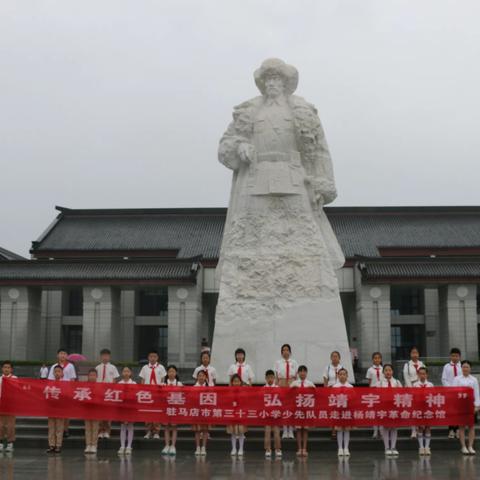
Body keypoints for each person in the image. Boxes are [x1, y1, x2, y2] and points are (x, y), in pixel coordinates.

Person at [47, 348, 77, 438]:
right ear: (57, 355)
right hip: (55, 392)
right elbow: (50, 380)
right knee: (55, 412)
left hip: (66, 392)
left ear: (67, 356)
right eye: (61, 353)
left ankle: (65, 430)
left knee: (66, 412)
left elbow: (72, 379)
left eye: (64, 354)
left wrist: (70, 391)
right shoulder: (54, 366)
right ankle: (55, 430)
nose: (62, 355)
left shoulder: (70, 366)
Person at [452, 360, 480, 455]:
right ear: (461, 368)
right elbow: (454, 393)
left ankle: (470, 446)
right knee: (462, 427)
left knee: (471, 427)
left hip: (471, 406)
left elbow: (477, 393)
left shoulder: (474, 379)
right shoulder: (456, 379)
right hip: (460, 406)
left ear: (470, 368)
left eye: (467, 367)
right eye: (463, 367)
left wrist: (477, 405)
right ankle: (463, 446)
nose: (465, 368)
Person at [139, 349, 166, 439]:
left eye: (154, 356)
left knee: (157, 412)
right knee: (147, 413)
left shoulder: (161, 367)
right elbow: (142, 380)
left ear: (157, 357)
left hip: (157, 393)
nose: (153, 358)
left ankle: (156, 431)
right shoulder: (145, 368)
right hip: (147, 394)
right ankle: (148, 431)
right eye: (151, 356)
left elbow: (162, 380)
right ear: (148, 357)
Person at [290, 365, 315, 457]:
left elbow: (315, 395)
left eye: (304, 371)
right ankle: (299, 448)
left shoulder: (310, 383)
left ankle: (304, 448)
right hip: (297, 410)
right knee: (298, 429)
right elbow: (289, 396)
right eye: (300, 371)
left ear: (306, 373)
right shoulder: (294, 383)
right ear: (298, 373)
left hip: (306, 410)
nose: (302, 373)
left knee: (305, 429)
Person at [274, 343, 298, 439]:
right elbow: (276, 376)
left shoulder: (294, 362)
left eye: (287, 350)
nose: (285, 352)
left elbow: (296, 376)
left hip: (291, 383)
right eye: (283, 350)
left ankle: (291, 430)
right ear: (281, 352)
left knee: (291, 407)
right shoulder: (278, 363)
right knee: (283, 407)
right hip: (282, 383)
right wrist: (275, 387)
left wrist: (296, 386)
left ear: (290, 352)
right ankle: (284, 429)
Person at [95, 348, 120, 439]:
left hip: (109, 393)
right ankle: (100, 430)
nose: (105, 357)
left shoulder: (113, 367)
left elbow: (114, 380)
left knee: (108, 413)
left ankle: (107, 431)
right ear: (101, 357)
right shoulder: (97, 367)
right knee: (100, 412)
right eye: (103, 356)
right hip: (100, 392)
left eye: (107, 356)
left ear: (109, 357)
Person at [379, 364, 402, 457]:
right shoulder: (380, 383)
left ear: (392, 372)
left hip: (394, 407)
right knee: (385, 427)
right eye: (386, 370)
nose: (388, 372)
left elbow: (401, 394)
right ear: (383, 372)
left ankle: (393, 447)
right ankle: (387, 447)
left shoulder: (397, 382)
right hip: (384, 407)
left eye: (390, 370)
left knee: (393, 427)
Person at [403, 346, 425, 438]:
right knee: (412, 410)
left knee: (420, 410)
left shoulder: (422, 364)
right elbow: (406, 377)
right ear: (410, 354)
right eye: (413, 353)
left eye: (416, 353)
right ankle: (413, 430)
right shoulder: (407, 365)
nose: (415, 354)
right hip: (410, 389)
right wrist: (411, 389)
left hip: (420, 389)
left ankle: (420, 428)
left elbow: (424, 375)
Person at [46, 365, 68, 454]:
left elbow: (66, 396)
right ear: (53, 373)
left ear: (62, 373)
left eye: (59, 371)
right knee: (51, 427)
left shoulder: (65, 384)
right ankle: (51, 445)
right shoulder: (50, 384)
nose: (57, 373)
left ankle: (58, 445)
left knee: (59, 427)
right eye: (55, 371)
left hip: (60, 409)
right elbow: (46, 395)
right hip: (51, 408)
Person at [441, 347, 462, 439]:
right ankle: (450, 430)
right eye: (453, 356)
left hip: (459, 392)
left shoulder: (462, 366)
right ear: (450, 356)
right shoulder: (446, 366)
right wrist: (450, 388)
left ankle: (457, 429)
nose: (455, 358)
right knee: (450, 411)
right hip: (449, 392)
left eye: (456, 356)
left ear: (459, 357)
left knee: (458, 411)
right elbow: (444, 379)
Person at [162, 365, 183, 456]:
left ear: (176, 373)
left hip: (175, 408)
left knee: (174, 427)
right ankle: (166, 445)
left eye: (173, 371)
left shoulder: (179, 384)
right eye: (169, 371)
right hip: (166, 408)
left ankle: (173, 445)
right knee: (166, 427)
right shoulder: (163, 384)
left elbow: (183, 395)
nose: (171, 373)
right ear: (167, 373)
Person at [333, 368, 353, 457]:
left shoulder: (350, 386)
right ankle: (340, 448)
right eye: (340, 374)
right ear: (338, 376)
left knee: (347, 430)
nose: (342, 376)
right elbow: (332, 398)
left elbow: (353, 398)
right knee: (339, 429)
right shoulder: (335, 386)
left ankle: (346, 448)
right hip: (338, 409)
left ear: (347, 376)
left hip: (347, 409)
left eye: (344, 374)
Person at [414, 367, 434, 455]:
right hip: (418, 408)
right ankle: (421, 447)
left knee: (428, 427)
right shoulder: (415, 385)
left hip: (428, 408)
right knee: (420, 427)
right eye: (420, 373)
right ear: (418, 374)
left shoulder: (430, 385)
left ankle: (427, 447)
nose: (422, 375)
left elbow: (433, 397)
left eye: (424, 373)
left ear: (427, 375)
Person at [263, 369, 282, 459]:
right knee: (267, 432)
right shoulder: (263, 388)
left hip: (275, 413)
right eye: (268, 378)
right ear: (266, 378)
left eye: (271, 377)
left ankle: (277, 449)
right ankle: (268, 449)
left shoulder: (278, 388)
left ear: (274, 378)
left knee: (276, 432)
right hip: (266, 413)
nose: (270, 379)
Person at [228, 374, 247, 457]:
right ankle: (234, 448)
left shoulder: (244, 390)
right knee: (233, 432)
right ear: (232, 382)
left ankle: (241, 448)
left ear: (240, 382)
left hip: (241, 413)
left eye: (238, 381)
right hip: (232, 412)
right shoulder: (229, 391)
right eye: (234, 381)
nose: (236, 383)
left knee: (241, 431)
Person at [365, 351, 384, 439]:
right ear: (372, 359)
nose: (377, 360)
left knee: (381, 411)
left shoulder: (383, 369)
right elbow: (369, 382)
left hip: (381, 391)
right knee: (375, 412)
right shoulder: (370, 370)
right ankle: (375, 431)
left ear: (381, 359)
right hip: (373, 391)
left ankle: (381, 430)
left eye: (378, 358)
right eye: (375, 358)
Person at [118, 366, 136, 455]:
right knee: (123, 427)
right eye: (124, 371)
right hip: (122, 407)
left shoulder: (134, 383)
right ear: (122, 373)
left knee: (130, 426)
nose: (126, 373)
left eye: (128, 371)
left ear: (130, 373)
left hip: (130, 407)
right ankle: (122, 446)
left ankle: (129, 446)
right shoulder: (119, 383)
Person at [0, 361, 17, 453]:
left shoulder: (15, 378)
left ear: (11, 369)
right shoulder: (0, 379)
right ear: (2, 369)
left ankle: (10, 443)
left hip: (11, 404)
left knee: (10, 425)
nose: (6, 369)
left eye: (8, 367)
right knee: (1, 425)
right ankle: (1, 442)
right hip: (1, 404)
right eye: (5, 367)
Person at [192, 370, 209, 456]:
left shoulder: (209, 387)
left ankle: (204, 447)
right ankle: (198, 447)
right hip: (197, 411)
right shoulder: (194, 387)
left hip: (206, 411)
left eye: (203, 375)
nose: (201, 377)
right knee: (197, 430)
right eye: (199, 375)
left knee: (205, 430)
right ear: (197, 377)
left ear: (206, 377)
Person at [84, 369, 100, 454]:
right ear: (88, 376)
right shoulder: (84, 386)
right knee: (88, 428)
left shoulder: (99, 386)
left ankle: (94, 445)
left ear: (97, 376)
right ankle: (88, 444)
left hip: (96, 410)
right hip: (87, 410)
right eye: (91, 375)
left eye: (94, 375)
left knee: (95, 428)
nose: (92, 377)